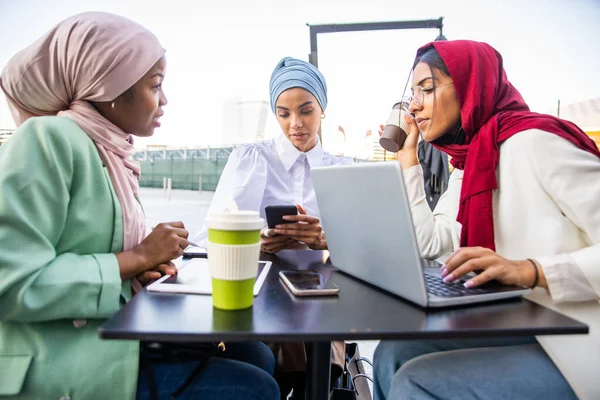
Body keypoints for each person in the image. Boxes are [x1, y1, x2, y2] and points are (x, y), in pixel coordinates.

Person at [0, 12, 278, 400]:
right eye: (156, 85)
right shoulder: (47, 139)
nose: (164, 99)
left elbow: (90, 253)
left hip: (110, 337)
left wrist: (137, 275)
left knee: (257, 354)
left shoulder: (109, 152)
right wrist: (137, 257)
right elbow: (11, 282)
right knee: (255, 387)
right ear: (110, 85)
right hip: (58, 359)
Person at [373, 40, 600, 400]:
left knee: (415, 380)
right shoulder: (471, 163)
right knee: (391, 354)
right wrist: (408, 159)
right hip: (525, 321)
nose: (414, 105)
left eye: (427, 89)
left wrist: (532, 270)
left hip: (579, 337)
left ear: (469, 86)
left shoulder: (535, 141)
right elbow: (429, 242)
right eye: (412, 92)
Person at [194, 57, 350, 399]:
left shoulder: (342, 170)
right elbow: (214, 235)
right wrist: (258, 237)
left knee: (316, 344)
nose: (295, 123)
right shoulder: (251, 158)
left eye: (306, 110)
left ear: (322, 108)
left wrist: (324, 238)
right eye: (283, 113)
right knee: (289, 355)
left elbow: (365, 247)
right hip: (262, 285)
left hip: (321, 289)